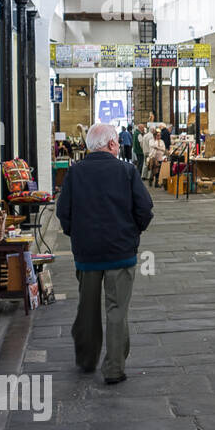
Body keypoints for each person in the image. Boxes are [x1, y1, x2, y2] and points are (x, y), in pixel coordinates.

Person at [55, 122, 154, 385]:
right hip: (120, 252)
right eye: (117, 143)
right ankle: (113, 368)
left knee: (87, 307)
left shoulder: (75, 174)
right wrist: (134, 233)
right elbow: (145, 209)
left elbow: (63, 213)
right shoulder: (127, 171)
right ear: (112, 144)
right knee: (117, 309)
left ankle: (86, 359)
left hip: (87, 255)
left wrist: (77, 235)